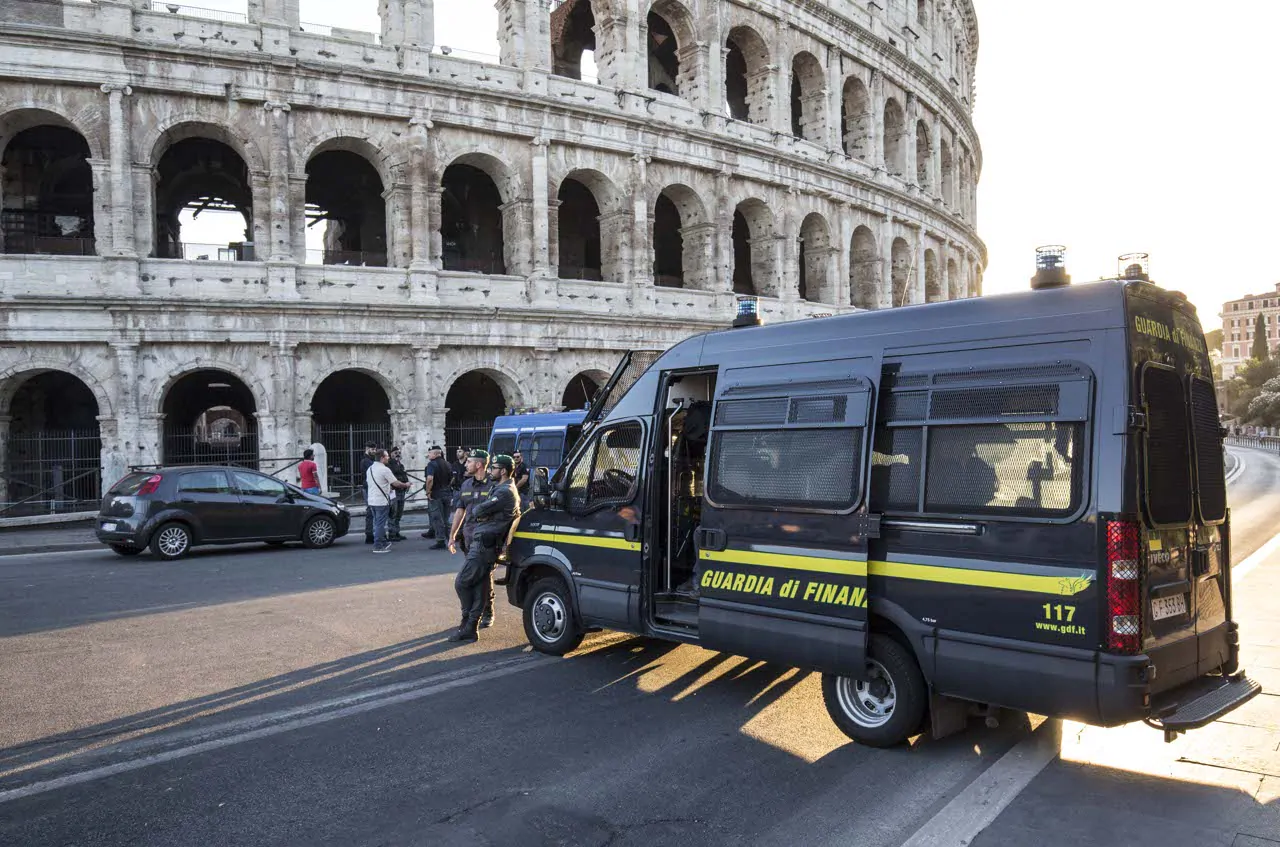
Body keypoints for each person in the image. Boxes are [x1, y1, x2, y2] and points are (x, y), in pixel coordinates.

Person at [448, 453, 521, 642]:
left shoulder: (504, 491)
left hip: (484, 544)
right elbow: (471, 510)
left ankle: (468, 621)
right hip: (477, 540)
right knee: (478, 585)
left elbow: (479, 510)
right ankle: (470, 627)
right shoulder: (496, 487)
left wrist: (483, 514)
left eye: (494, 468)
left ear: (503, 470)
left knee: (462, 582)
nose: (491, 471)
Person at [366, 448, 410, 553]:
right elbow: (395, 483)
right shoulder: (384, 469)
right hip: (381, 501)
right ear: (382, 458)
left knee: (377, 522)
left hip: (372, 500)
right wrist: (406, 484)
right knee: (380, 524)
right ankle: (378, 546)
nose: (388, 458)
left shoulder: (370, 469)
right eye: (387, 456)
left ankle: (383, 541)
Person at [421, 445, 452, 548]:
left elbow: (430, 479)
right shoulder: (447, 464)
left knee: (437, 518)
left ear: (435, 454)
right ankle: (450, 539)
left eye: (430, 453)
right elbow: (453, 479)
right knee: (446, 518)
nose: (428, 455)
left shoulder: (432, 464)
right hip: (447, 493)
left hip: (436, 494)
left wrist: (428, 492)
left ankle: (440, 541)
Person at [387, 446, 410, 542]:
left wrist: (407, 484)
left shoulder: (400, 464)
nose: (397, 454)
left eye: (399, 452)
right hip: (394, 491)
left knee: (399, 513)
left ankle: (396, 532)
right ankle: (391, 533)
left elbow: (404, 475)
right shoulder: (389, 465)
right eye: (395, 452)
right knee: (393, 512)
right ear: (391, 454)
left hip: (402, 491)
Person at [359, 441, 379, 544]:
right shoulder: (366, 461)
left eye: (375, 449)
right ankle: (369, 534)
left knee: (373, 511)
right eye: (372, 449)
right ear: (367, 449)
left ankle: (373, 533)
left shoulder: (371, 460)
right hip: (368, 488)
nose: (374, 451)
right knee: (370, 511)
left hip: (370, 487)